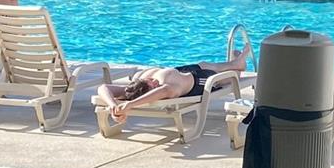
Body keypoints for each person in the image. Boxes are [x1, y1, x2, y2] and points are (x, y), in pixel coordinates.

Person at [96, 44, 252, 122]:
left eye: (150, 81)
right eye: (153, 85)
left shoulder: (135, 86)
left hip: (183, 70)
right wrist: (130, 105)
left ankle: (237, 61)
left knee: (212, 65)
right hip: (200, 81)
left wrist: (112, 105)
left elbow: (103, 87)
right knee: (232, 75)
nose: (154, 82)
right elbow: (161, 91)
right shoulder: (167, 89)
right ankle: (240, 60)